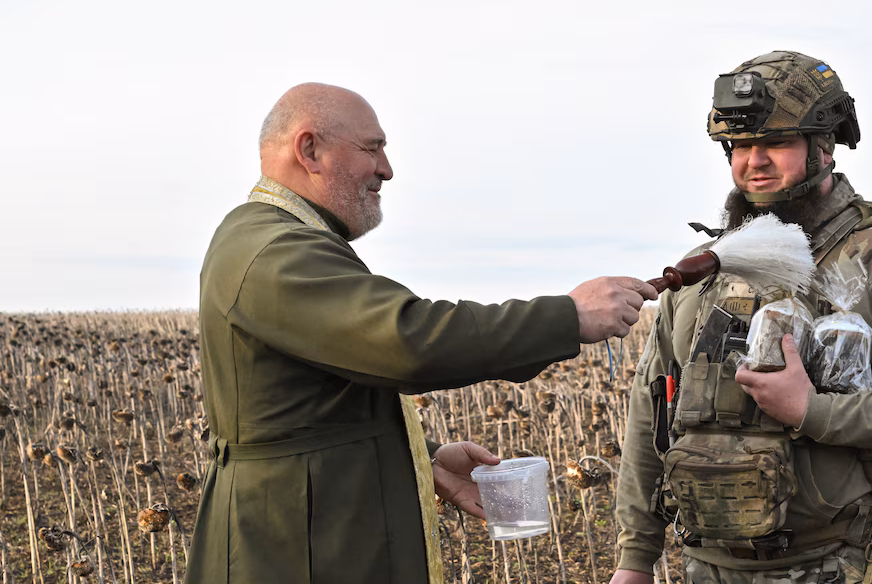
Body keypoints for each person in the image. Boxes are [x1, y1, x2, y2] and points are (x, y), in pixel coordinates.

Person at [187, 83, 658, 584]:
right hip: (292, 553)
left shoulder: (274, 238)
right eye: (372, 148)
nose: (386, 169)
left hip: (309, 537)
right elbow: (407, 341)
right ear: (309, 150)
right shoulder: (275, 251)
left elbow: (310, 416)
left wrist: (421, 456)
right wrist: (568, 317)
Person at [610, 51, 872, 583]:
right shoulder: (702, 277)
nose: (754, 161)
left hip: (853, 561)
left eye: (775, 143)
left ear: (824, 147)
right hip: (709, 567)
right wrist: (635, 558)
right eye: (740, 146)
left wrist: (811, 410)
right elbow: (650, 415)